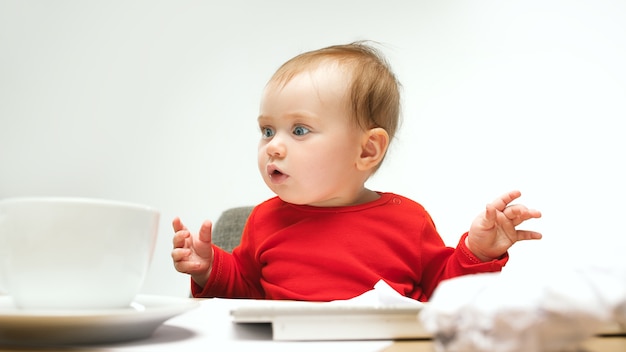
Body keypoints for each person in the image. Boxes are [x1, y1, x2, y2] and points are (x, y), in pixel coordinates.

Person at [171, 41, 542, 302]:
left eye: (299, 130)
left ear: (367, 149)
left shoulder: (407, 221)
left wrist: (477, 252)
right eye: (267, 130)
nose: (273, 145)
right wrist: (208, 269)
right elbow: (247, 292)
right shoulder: (263, 221)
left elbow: (445, 293)